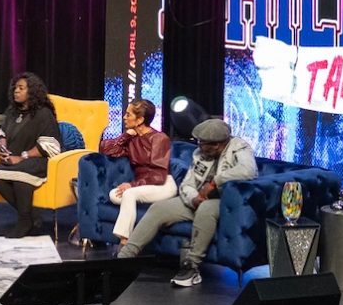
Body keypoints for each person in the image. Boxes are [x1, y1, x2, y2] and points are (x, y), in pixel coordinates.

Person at [125, 116, 254, 287]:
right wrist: (193, 198)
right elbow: (187, 184)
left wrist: (215, 182)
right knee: (159, 208)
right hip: (199, 200)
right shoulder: (200, 154)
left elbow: (248, 171)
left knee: (206, 209)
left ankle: (192, 267)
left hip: (227, 202)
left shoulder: (239, 147)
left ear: (217, 145)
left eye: (202, 143)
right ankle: (124, 258)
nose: (199, 146)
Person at [0, 72, 63, 238]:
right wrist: (3, 147)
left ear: (32, 92)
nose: (16, 91)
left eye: (21, 88)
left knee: (20, 176)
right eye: (15, 88)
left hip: (38, 160)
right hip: (15, 159)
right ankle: (30, 216)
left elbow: (49, 145)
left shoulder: (44, 114)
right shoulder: (12, 112)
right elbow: (2, 134)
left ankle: (23, 220)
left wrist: (22, 157)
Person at [95, 97, 174, 246]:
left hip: (162, 184)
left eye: (128, 114)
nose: (124, 117)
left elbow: (158, 175)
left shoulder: (159, 138)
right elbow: (105, 148)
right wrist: (126, 135)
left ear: (140, 120)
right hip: (143, 185)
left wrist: (132, 185)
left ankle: (125, 241)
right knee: (114, 194)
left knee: (129, 194)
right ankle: (133, 206)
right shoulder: (132, 140)